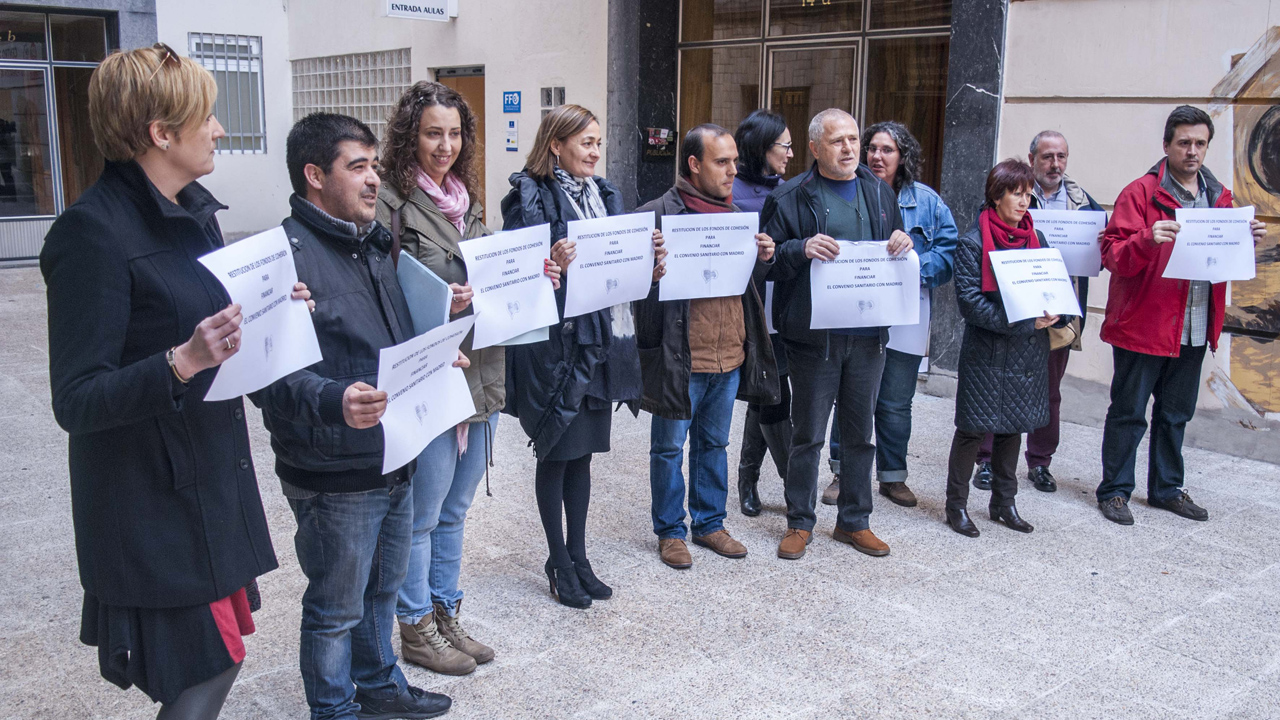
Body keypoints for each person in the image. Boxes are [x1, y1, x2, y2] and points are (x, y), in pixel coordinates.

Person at [41, 44, 291, 718]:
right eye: (206, 117)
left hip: (207, 476)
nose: (219, 130)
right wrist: (180, 361)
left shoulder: (195, 213)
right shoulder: (89, 234)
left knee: (220, 659)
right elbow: (77, 399)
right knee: (205, 667)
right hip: (151, 500)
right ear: (160, 133)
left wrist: (271, 310)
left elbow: (214, 329)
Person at [251, 112, 456, 720]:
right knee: (336, 607)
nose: (374, 180)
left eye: (374, 165)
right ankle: (334, 708)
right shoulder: (282, 259)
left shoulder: (371, 244)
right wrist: (335, 400)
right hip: (332, 468)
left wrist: (439, 352)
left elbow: (391, 342)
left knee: (382, 593)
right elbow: (267, 380)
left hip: (392, 454)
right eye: (358, 167)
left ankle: (379, 687)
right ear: (315, 175)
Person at [376, 81, 557, 677]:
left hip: (480, 374)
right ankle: (416, 627)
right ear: (410, 134)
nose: (445, 145)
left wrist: (536, 278)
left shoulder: (466, 199)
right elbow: (379, 297)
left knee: (454, 511)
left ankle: (445, 610)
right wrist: (441, 305)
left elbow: (496, 278)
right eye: (433, 132)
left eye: (454, 133)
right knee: (422, 514)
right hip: (431, 378)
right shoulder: (389, 205)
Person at [501, 104, 667, 607]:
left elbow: (618, 270)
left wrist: (650, 266)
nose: (596, 151)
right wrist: (548, 264)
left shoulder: (606, 195)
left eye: (598, 142)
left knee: (583, 458)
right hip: (558, 350)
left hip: (601, 346)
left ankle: (579, 556)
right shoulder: (527, 198)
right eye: (586, 142)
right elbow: (515, 277)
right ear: (556, 145)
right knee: (556, 452)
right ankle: (558, 560)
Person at [1095, 106, 1267, 526]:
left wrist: (1246, 240)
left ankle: (1166, 489)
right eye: (1184, 143)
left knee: (1175, 415)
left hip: (1193, 327)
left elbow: (1219, 259)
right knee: (1129, 413)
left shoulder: (1220, 197)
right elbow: (1111, 255)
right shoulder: (1140, 193)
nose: (1192, 151)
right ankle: (1115, 491)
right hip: (1143, 326)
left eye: (1200, 143)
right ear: (1167, 145)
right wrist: (1146, 239)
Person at [761, 108, 912, 560]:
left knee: (860, 434)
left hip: (868, 337)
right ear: (814, 148)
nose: (849, 149)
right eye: (836, 141)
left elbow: (893, 243)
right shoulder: (791, 196)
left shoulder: (879, 193)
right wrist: (799, 249)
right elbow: (766, 262)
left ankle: (854, 521)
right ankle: (799, 522)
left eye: (852, 139)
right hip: (813, 340)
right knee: (808, 434)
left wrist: (903, 241)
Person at [636, 124, 778, 569]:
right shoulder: (656, 216)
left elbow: (741, 288)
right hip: (680, 356)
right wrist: (650, 271)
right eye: (722, 161)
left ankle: (710, 523)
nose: (733, 170)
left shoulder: (737, 217)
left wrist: (763, 260)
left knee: (714, 444)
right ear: (694, 165)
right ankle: (670, 531)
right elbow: (629, 290)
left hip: (728, 353)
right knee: (668, 448)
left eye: (735, 160)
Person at [944, 159, 1074, 538]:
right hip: (986, 353)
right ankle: (956, 506)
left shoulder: (1038, 239)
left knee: (1012, 430)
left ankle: (1004, 503)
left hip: (1026, 354)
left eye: (1027, 193)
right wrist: (1023, 321)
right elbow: (970, 303)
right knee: (971, 430)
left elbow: (1055, 287)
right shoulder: (972, 243)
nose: (1024, 200)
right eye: (1016, 193)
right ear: (996, 195)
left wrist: (1058, 313)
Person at [972, 130, 1104, 494]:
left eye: (1061, 156)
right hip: (1011, 311)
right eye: (1047, 156)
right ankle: (985, 459)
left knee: (1049, 390)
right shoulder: (1011, 194)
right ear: (1032, 159)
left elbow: (1099, 258)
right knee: (995, 385)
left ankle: (1040, 462)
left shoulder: (1086, 205)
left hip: (1056, 312)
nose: (1055, 164)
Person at [861, 120, 958, 507]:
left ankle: (893, 475)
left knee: (897, 400)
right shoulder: (850, 194)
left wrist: (912, 267)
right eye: (872, 148)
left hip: (907, 315)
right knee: (852, 397)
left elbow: (948, 254)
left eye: (887, 150)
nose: (877, 156)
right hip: (859, 312)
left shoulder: (928, 202)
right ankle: (842, 472)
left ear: (903, 157)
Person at [731, 109, 793, 517]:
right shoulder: (731, 192)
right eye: (783, 147)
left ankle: (747, 476)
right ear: (761, 148)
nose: (789, 154)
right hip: (746, 308)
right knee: (772, 395)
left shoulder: (789, 190)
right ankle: (795, 482)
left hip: (783, 306)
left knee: (767, 392)